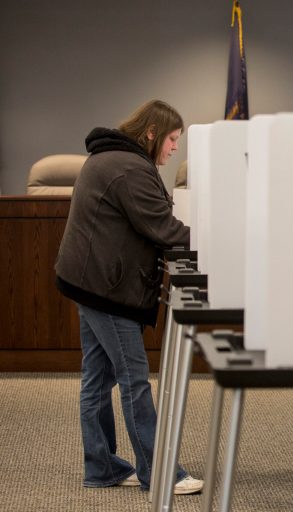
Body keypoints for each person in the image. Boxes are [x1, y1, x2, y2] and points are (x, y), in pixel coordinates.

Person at [55, 100, 203, 494]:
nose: (175, 149)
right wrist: (213, 240)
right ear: (152, 133)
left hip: (88, 281)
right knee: (134, 379)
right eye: (173, 139)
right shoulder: (129, 168)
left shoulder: (113, 157)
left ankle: (101, 466)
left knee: (97, 379)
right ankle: (159, 472)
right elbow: (161, 227)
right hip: (106, 289)